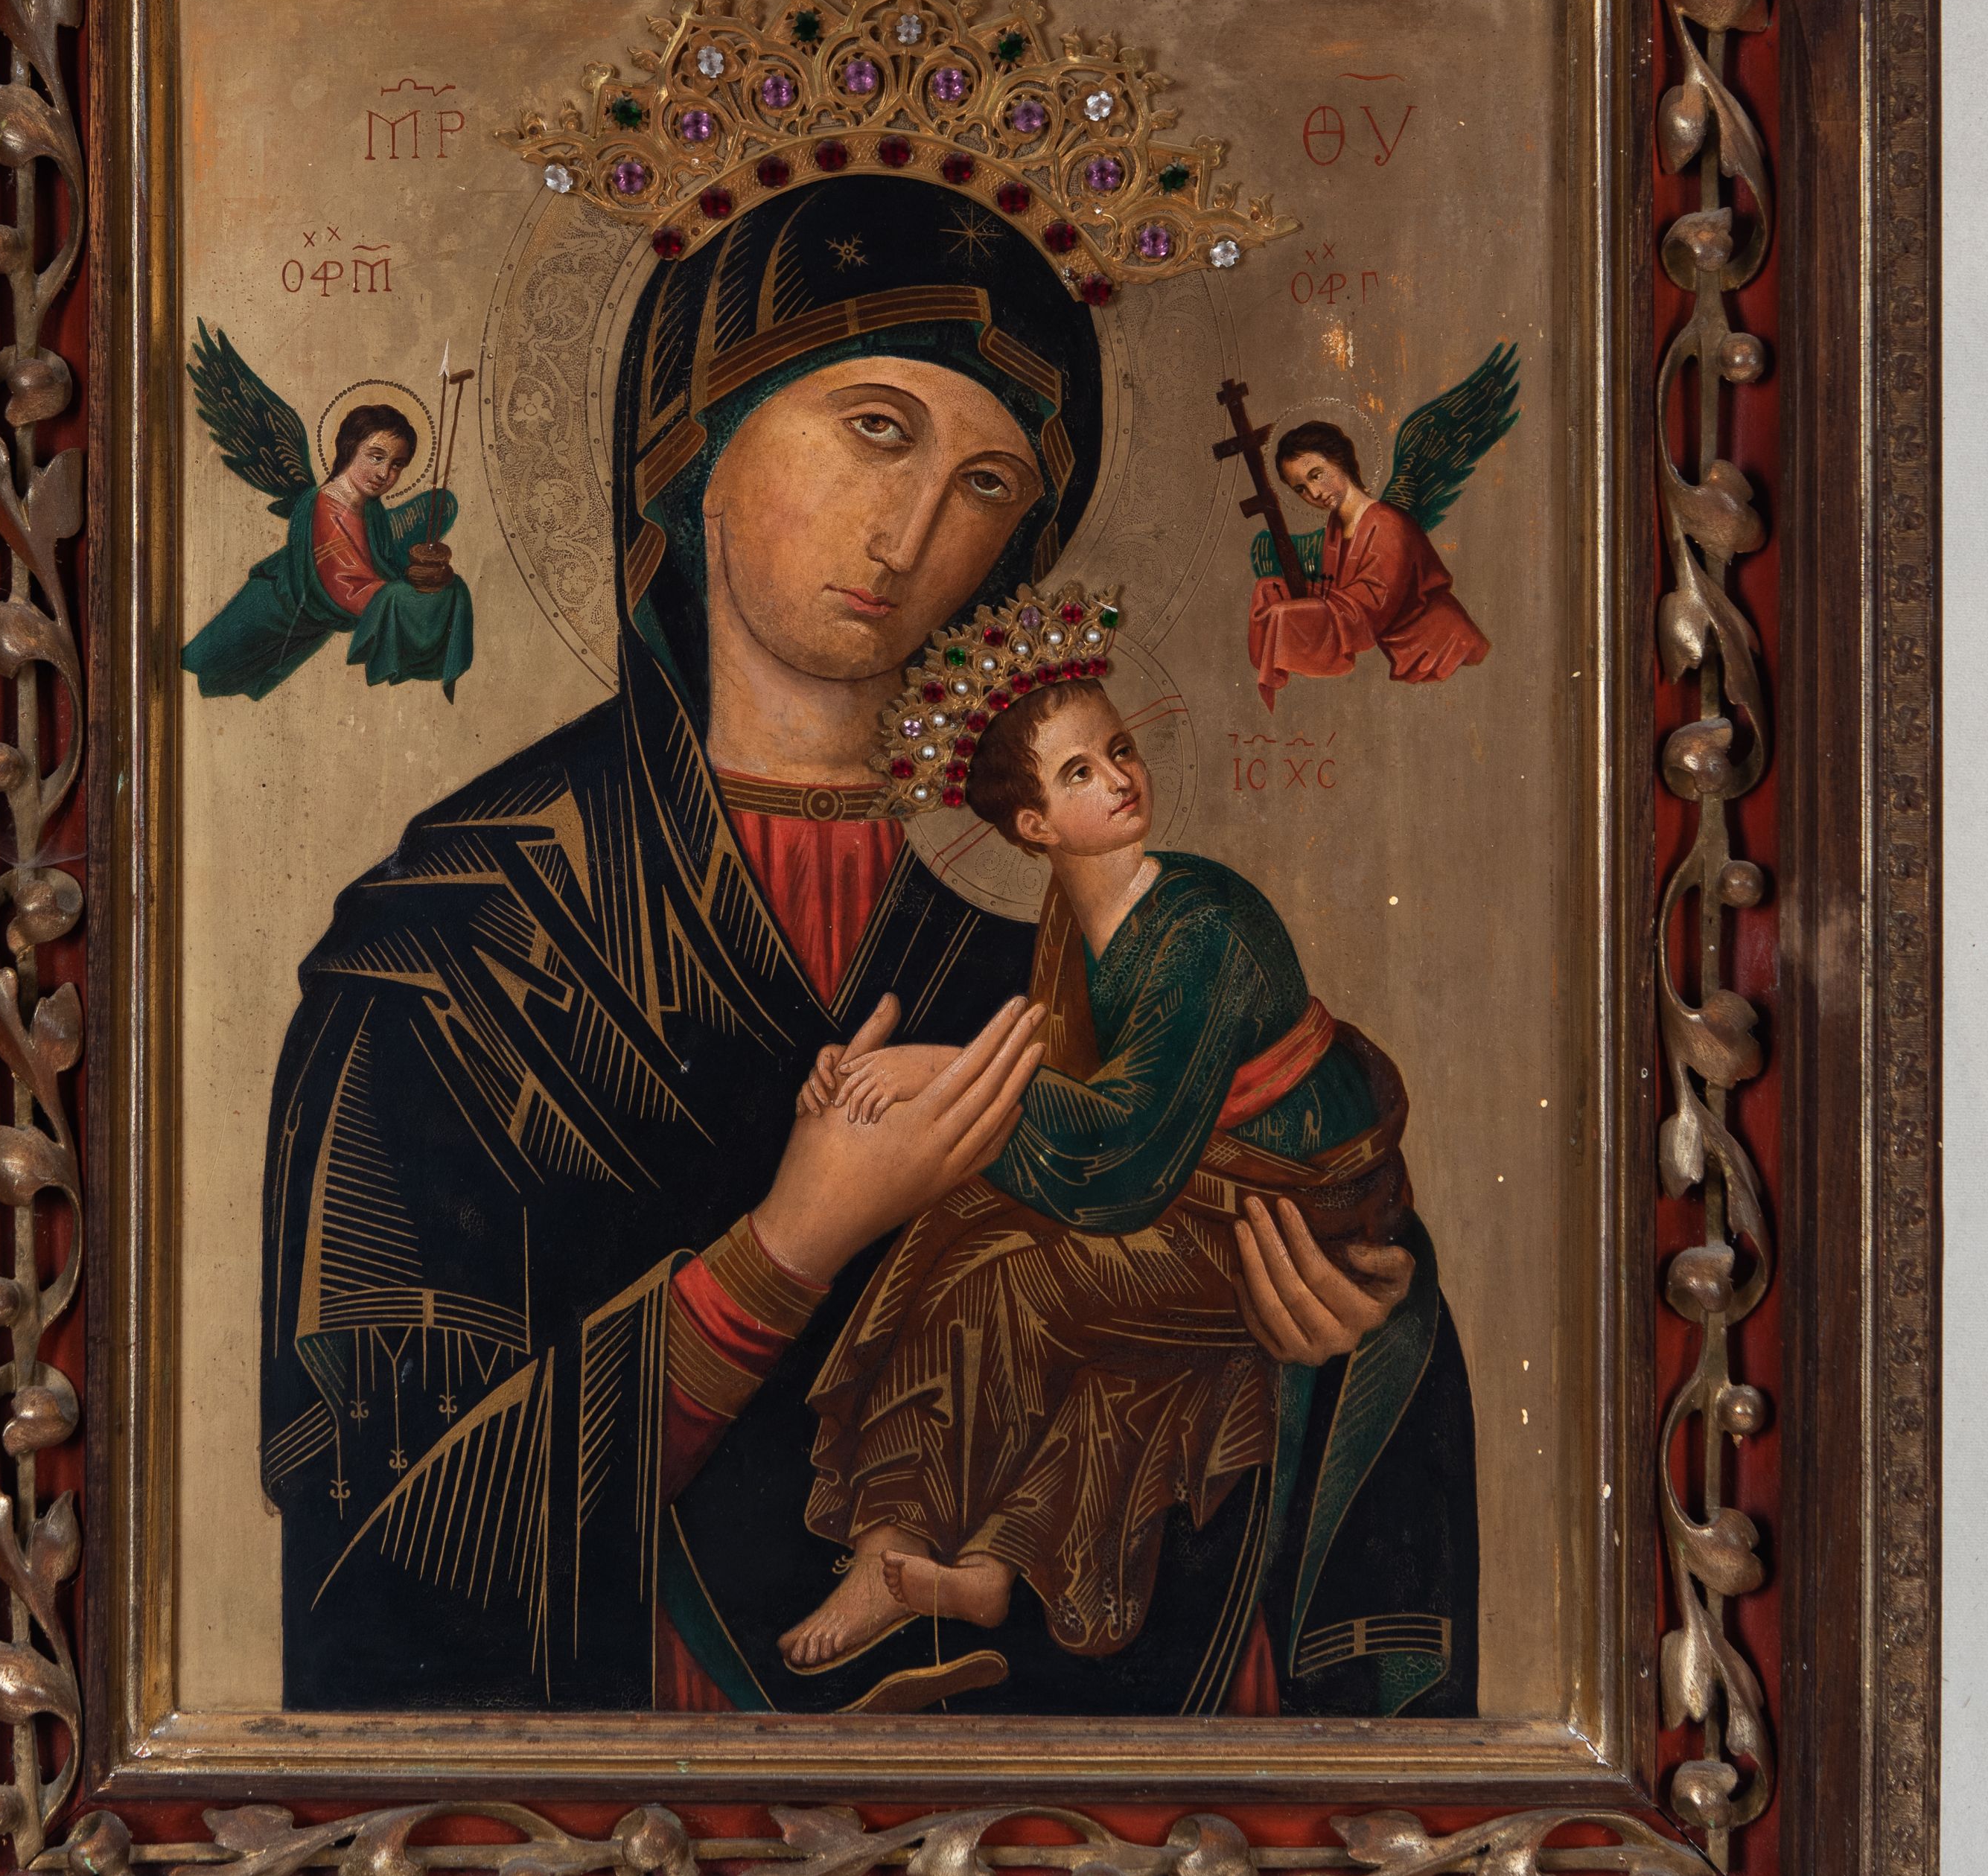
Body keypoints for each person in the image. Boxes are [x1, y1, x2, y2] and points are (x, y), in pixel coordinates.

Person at [261, 176, 1476, 1717]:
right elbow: (372, 1542)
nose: (909, 533)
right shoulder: (458, 942)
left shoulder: (1071, 922)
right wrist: (784, 1251)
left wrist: (1345, 1334)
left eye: (987, 481)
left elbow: (1285, 1234)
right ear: (694, 440)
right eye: (877, 429)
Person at [779, 642, 1415, 1676]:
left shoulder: (1200, 928)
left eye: (1120, 750)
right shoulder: (1076, 921)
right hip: (1197, 1187)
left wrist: (932, 1071)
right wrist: (865, 1089)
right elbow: (1078, 1103)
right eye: (1080, 770)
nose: (1121, 777)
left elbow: (1119, 1158)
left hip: (1291, 1216)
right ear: (1033, 826)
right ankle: (954, 1559)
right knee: (959, 1227)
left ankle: (907, 1552)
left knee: (1013, 1282)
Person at [180, 354, 473, 701]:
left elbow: (383, 559)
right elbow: (346, 589)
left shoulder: (370, 510)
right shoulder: (325, 508)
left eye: (397, 465)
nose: (385, 474)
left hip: (300, 626)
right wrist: (406, 597)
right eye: (376, 457)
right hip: (268, 612)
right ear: (350, 449)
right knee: (199, 676)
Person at [1246, 421, 1488, 709]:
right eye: (1301, 488)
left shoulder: (1387, 525)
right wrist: (1285, 590)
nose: (1314, 493)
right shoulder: (1336, 528)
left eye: (1317, 475)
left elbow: (1369, 608)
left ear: (1341, 461)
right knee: (1270, 589)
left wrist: (1291, 614)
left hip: (1445, 650)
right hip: (1409, 656)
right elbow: (1341, 594)